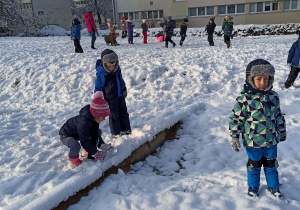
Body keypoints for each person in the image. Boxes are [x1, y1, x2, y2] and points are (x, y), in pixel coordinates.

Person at [229, 59, 286, 198]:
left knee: (271, 164)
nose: (263, 83)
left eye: (266, 79)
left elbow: (278, 115)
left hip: (271, 139)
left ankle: (274, 186)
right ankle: (253, 186)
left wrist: (282, 131)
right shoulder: (244, 99)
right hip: (253, 141)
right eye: (259, 79)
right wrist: (234, 135)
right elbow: (236, 119)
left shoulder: (273, 96)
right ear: (250, 79)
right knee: (254, 165)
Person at [59, 91, 113, 169]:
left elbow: (95, 134)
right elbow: (84, 140)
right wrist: (95, 153)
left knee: (98, 132)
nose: (104, 119)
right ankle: (73, 159)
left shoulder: (94, 119)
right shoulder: (83, 123)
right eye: (103, 117)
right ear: (96, 116)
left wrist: (101, 144)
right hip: (66, 134)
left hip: (77, 133)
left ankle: (87, 150)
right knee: (75, 145)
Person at [94, 49, 131, 137]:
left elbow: (120, 79)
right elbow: (98, 86)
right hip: (110, 98)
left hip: (120, 95)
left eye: (113, 65)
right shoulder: (102, 73)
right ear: (104, 64)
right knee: (114, 115)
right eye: (109, 66)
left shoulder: (117, 69)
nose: (111, 68)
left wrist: (124, 89)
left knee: (123, 113)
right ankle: (116, 133)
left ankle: (126, 130)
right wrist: (98, 97)